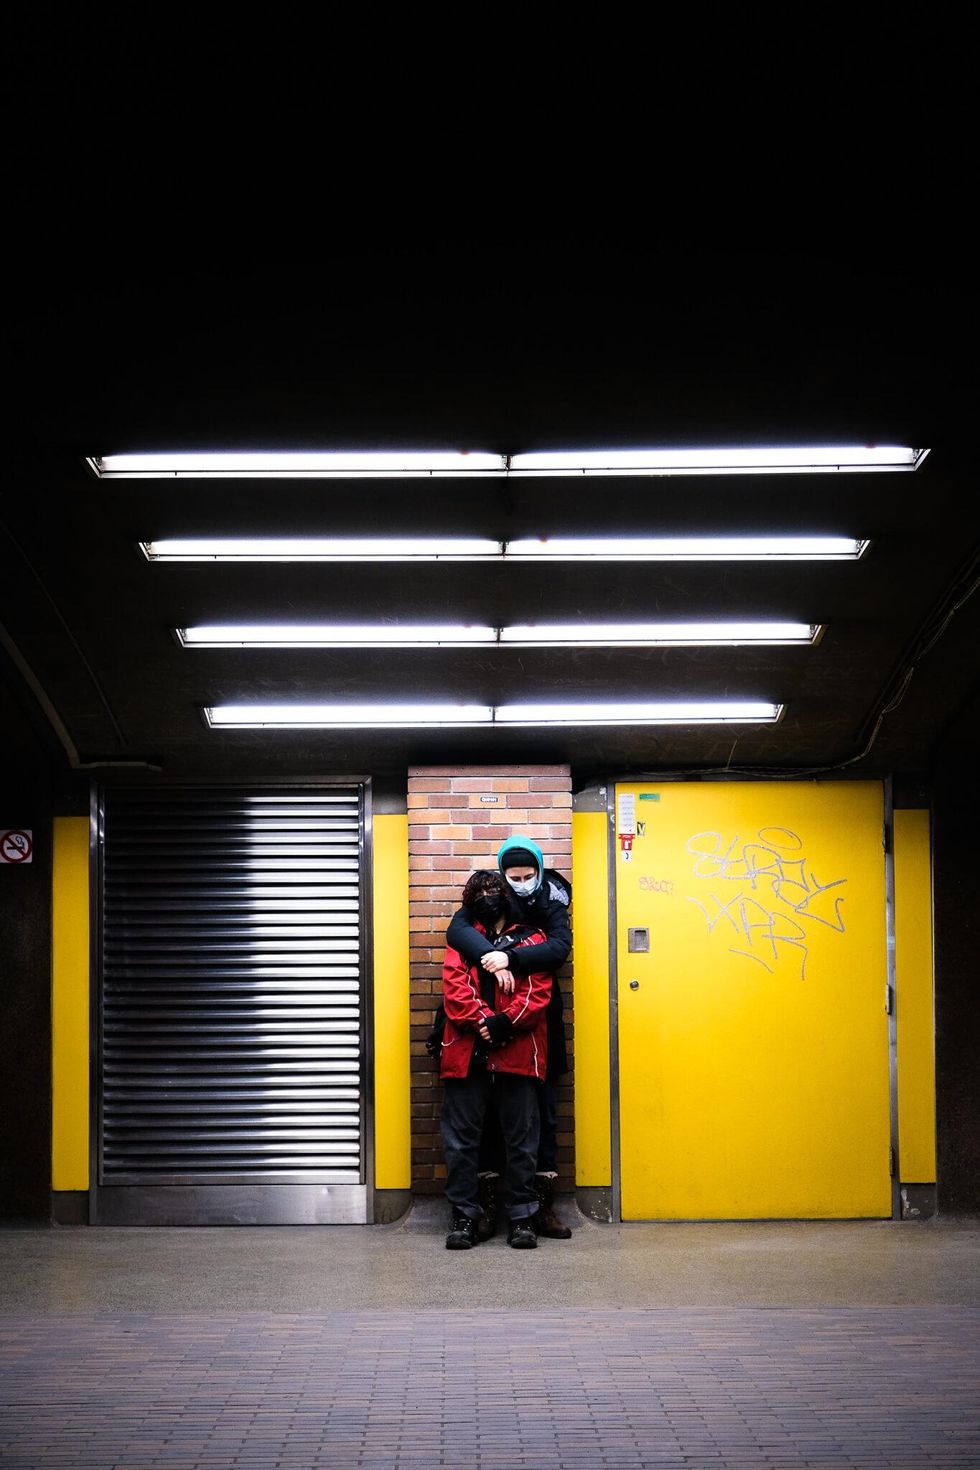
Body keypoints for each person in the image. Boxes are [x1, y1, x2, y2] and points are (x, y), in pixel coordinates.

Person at [446, 835, 573, 1239]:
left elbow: (545, 974)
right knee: (466, 1138)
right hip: (469, 1049)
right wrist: (484, 1019)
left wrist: (505, 1018)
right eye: (510, 877)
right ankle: (469, 1215)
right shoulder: (467, 933)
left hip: (525, 1047)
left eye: (525, 876)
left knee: (529, 1135)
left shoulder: (544, 917)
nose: (517, 883)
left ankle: (526, 1215)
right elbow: (455, 983)